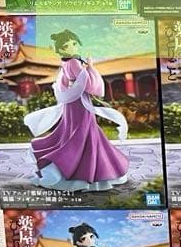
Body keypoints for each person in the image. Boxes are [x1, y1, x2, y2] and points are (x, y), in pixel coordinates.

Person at [24, 30, 129, 192]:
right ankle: (85, 172)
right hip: (79, 103)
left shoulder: (66, 63)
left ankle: (75, 169)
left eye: (74, 43)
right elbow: (88, 83)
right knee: (84, 134)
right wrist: (91, 67)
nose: (72, 47)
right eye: (67, 45)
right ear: (61, 49)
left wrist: (83, 73)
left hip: (71, 103)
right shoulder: (73, 62)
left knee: (77, 133)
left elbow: (65, 83)